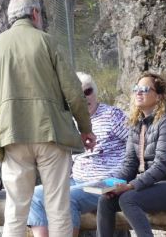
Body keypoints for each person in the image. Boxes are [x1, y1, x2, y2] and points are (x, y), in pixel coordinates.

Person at [0, 0, 96, 237]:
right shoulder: (48, 42)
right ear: (36, 14)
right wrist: (85, 128)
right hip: (51, 133)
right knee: (58, 206)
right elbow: (73, 92)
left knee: (16, 208)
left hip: (12, 134)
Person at [96, 72, 166, 237]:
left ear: (158, 96)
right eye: (136, 88)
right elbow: (129, 164)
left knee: (128, 199)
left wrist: (130, 186)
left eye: (144, 89)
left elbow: (161, 166)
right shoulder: (136, 125)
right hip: (156, 185)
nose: (138, 92)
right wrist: (111, 184)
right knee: (105, 199)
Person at [28, 72, 129, 237]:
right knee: (34, 196)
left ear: (95, 92)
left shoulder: (112, 115)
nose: (84, 97)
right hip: (78, 180)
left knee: (66, 199)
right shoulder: (70, 122)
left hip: (109, 181)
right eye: (78, 94)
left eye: (88, 91)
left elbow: (138, 144)